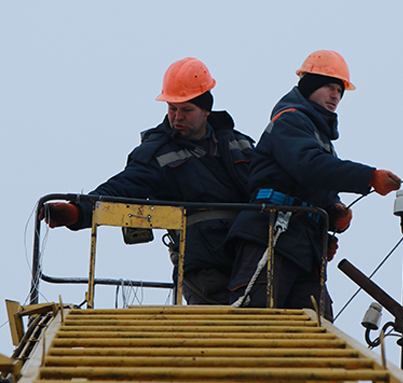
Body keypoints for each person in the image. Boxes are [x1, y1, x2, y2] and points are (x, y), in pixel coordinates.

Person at [41, 57, 254, 305]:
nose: (177, 117)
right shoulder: (157, 153)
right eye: (172, 108)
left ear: (207, 110)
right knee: (219, 333)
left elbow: (270, 182)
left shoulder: (240, 144)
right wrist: (79, 211)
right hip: (203, 265)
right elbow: (123, 187)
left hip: (251, 256)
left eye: (186, 110)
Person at [225, 50, 401, 315]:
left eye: (340, 91)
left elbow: (320, 184)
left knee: (315, 330)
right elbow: (308, 166)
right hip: (270, 235)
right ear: (310, 87)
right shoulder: (289, 120)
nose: (335, 96)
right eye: (330, 87)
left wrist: (335, 210)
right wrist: (368, 176)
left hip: (304, 247)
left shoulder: (320, 139)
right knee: (254, 321)